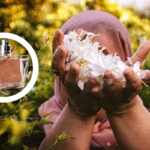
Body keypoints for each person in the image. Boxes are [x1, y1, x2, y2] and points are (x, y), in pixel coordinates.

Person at [39, 11, 150, 150]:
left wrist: (124, 108)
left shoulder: (143, 120)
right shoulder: (37, 121)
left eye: (105, 57)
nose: (92, 77)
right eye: (77, 60)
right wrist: (79, 111)